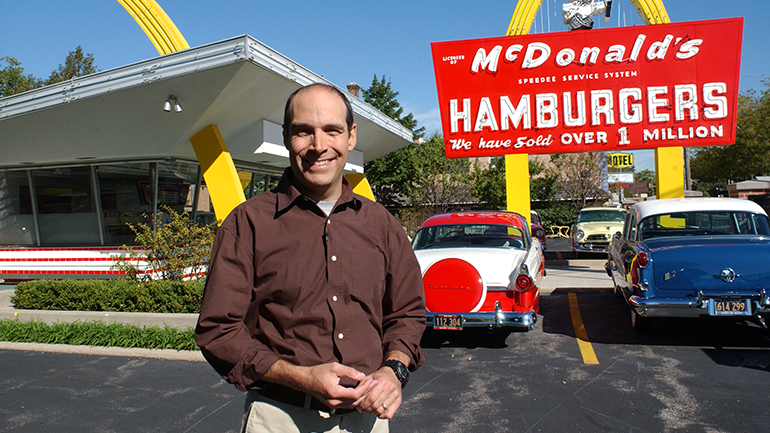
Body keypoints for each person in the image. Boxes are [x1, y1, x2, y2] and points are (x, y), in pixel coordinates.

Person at [195, 83, 426, 433]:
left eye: (332, 130)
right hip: (280, 418)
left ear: (351, 137)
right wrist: (301, 377)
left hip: (368, 421)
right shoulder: (247, 224)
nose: (319, 146)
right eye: (304, 131)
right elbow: (219, 331)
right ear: (286, 136)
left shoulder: (382, 225)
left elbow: (407, 313)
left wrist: (394, 370)